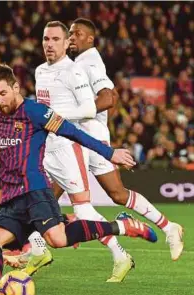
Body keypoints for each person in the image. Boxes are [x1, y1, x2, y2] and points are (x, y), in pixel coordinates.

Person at [0, 64, 158, 295]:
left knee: (57, 240)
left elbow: (73, 133)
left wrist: (109, 152)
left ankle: (121, 226)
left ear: (15, 87)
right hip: (13, 196)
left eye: (3, 93)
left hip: (36, 190)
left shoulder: (36, 112)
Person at [68, 18, 183, 261]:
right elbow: (113, 93)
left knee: (50, 194)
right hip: (91, 136)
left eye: (77, 34)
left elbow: (110, 98)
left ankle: (31, 246)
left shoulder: (89, 61)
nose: (72, 37)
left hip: (84, 138)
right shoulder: (81, 61)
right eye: (70, 33)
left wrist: (76, 114)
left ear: (90, 39)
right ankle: (168, 227)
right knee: (118, 194)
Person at [31, 21, 133, 282]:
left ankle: (121, 248)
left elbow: (89, 109)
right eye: (46, 39)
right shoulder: (40, 71)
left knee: (84, 209)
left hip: (68, 148)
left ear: (66, 43)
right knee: (37, 200)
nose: (49, 44)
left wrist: (56, 118)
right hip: (47, 147)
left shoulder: (74, 72)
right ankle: (36, 249)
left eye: (55, 39)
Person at [0, 50, 50, 269]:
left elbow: (14, 123)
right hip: (7, 158)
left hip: (22, 161)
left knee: (20, 204)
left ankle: (59, 228)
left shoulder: (1, 91)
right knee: (0, 199)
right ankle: (31, 245)